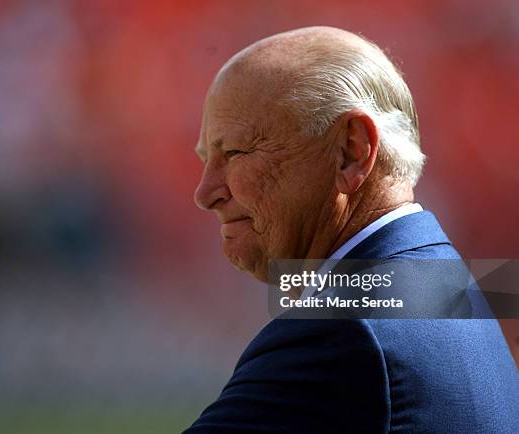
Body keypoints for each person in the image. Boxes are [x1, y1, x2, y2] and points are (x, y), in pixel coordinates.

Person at [184, 27, 519, 433]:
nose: (205, 193)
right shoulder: (447, 288)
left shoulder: (341, 333)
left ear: (351, 151)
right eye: (207, 159)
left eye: (235, 153)